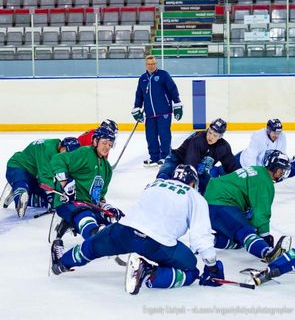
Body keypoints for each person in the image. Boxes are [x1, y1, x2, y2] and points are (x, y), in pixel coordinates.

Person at [50, 165, 225, 294]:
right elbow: (200, 237)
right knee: (191, 270)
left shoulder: (155, 184)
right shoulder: (195, 197)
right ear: (193, 183)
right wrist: (212, 266)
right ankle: (149, 273)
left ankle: (62, 263)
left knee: (91, 246)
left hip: (124, 230)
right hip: (157, 243)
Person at [204, 150, 292, 262]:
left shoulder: (257, 170)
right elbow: (261, 215)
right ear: (274, 168)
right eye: (281, 170)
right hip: (222, 203)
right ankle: (267, 253)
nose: (283, 174)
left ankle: (205, 241)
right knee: (245, 231)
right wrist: (265, 237)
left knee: (239, 240)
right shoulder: (264, 181)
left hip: (209, 203)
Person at [50, 127, 123, 241]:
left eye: (110, 144)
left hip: (89, 205)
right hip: (68, 202)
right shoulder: (85, 153)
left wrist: (106, 207)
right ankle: (93, 238)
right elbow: (58, 159)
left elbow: (100, 196)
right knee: (87, 219)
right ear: (95, 141)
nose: (107, 147)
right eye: (104, 142)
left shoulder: (107, 168)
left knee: (112, 225)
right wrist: (65, 183)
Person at [2, 137, 80, 217]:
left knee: (45, 199)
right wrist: (50, 195)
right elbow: (44, 176)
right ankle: (19, 192)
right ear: (62, 148)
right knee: (22, 182)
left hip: (33, 175)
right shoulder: (48, 151)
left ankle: (18, 191)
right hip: (18, 166)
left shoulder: (56, 146)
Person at [157, 118, 240, 194]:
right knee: (163, 178)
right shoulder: (198, 139)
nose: (210, 136)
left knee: (210, 190)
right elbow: (190, 164)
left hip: (197, 169)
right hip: (176, 160)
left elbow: (232, 167)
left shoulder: (223, 147)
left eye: (215, 135)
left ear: (220, 136)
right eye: (210, 132)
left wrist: (241, 182)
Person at [131, 55, 183, 167]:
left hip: (164, 111)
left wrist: (177, 104)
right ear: (146, 65)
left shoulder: (163, 75)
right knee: (151, 136)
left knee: (164, 135)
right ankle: (154, 157)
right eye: (149, 64)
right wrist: (137, 108)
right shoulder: (143, 78)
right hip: (149, 114)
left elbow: (173, 89)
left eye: (153, 64)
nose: (151, 66)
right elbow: (139, 95)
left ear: (156, 64)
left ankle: (165, 157)